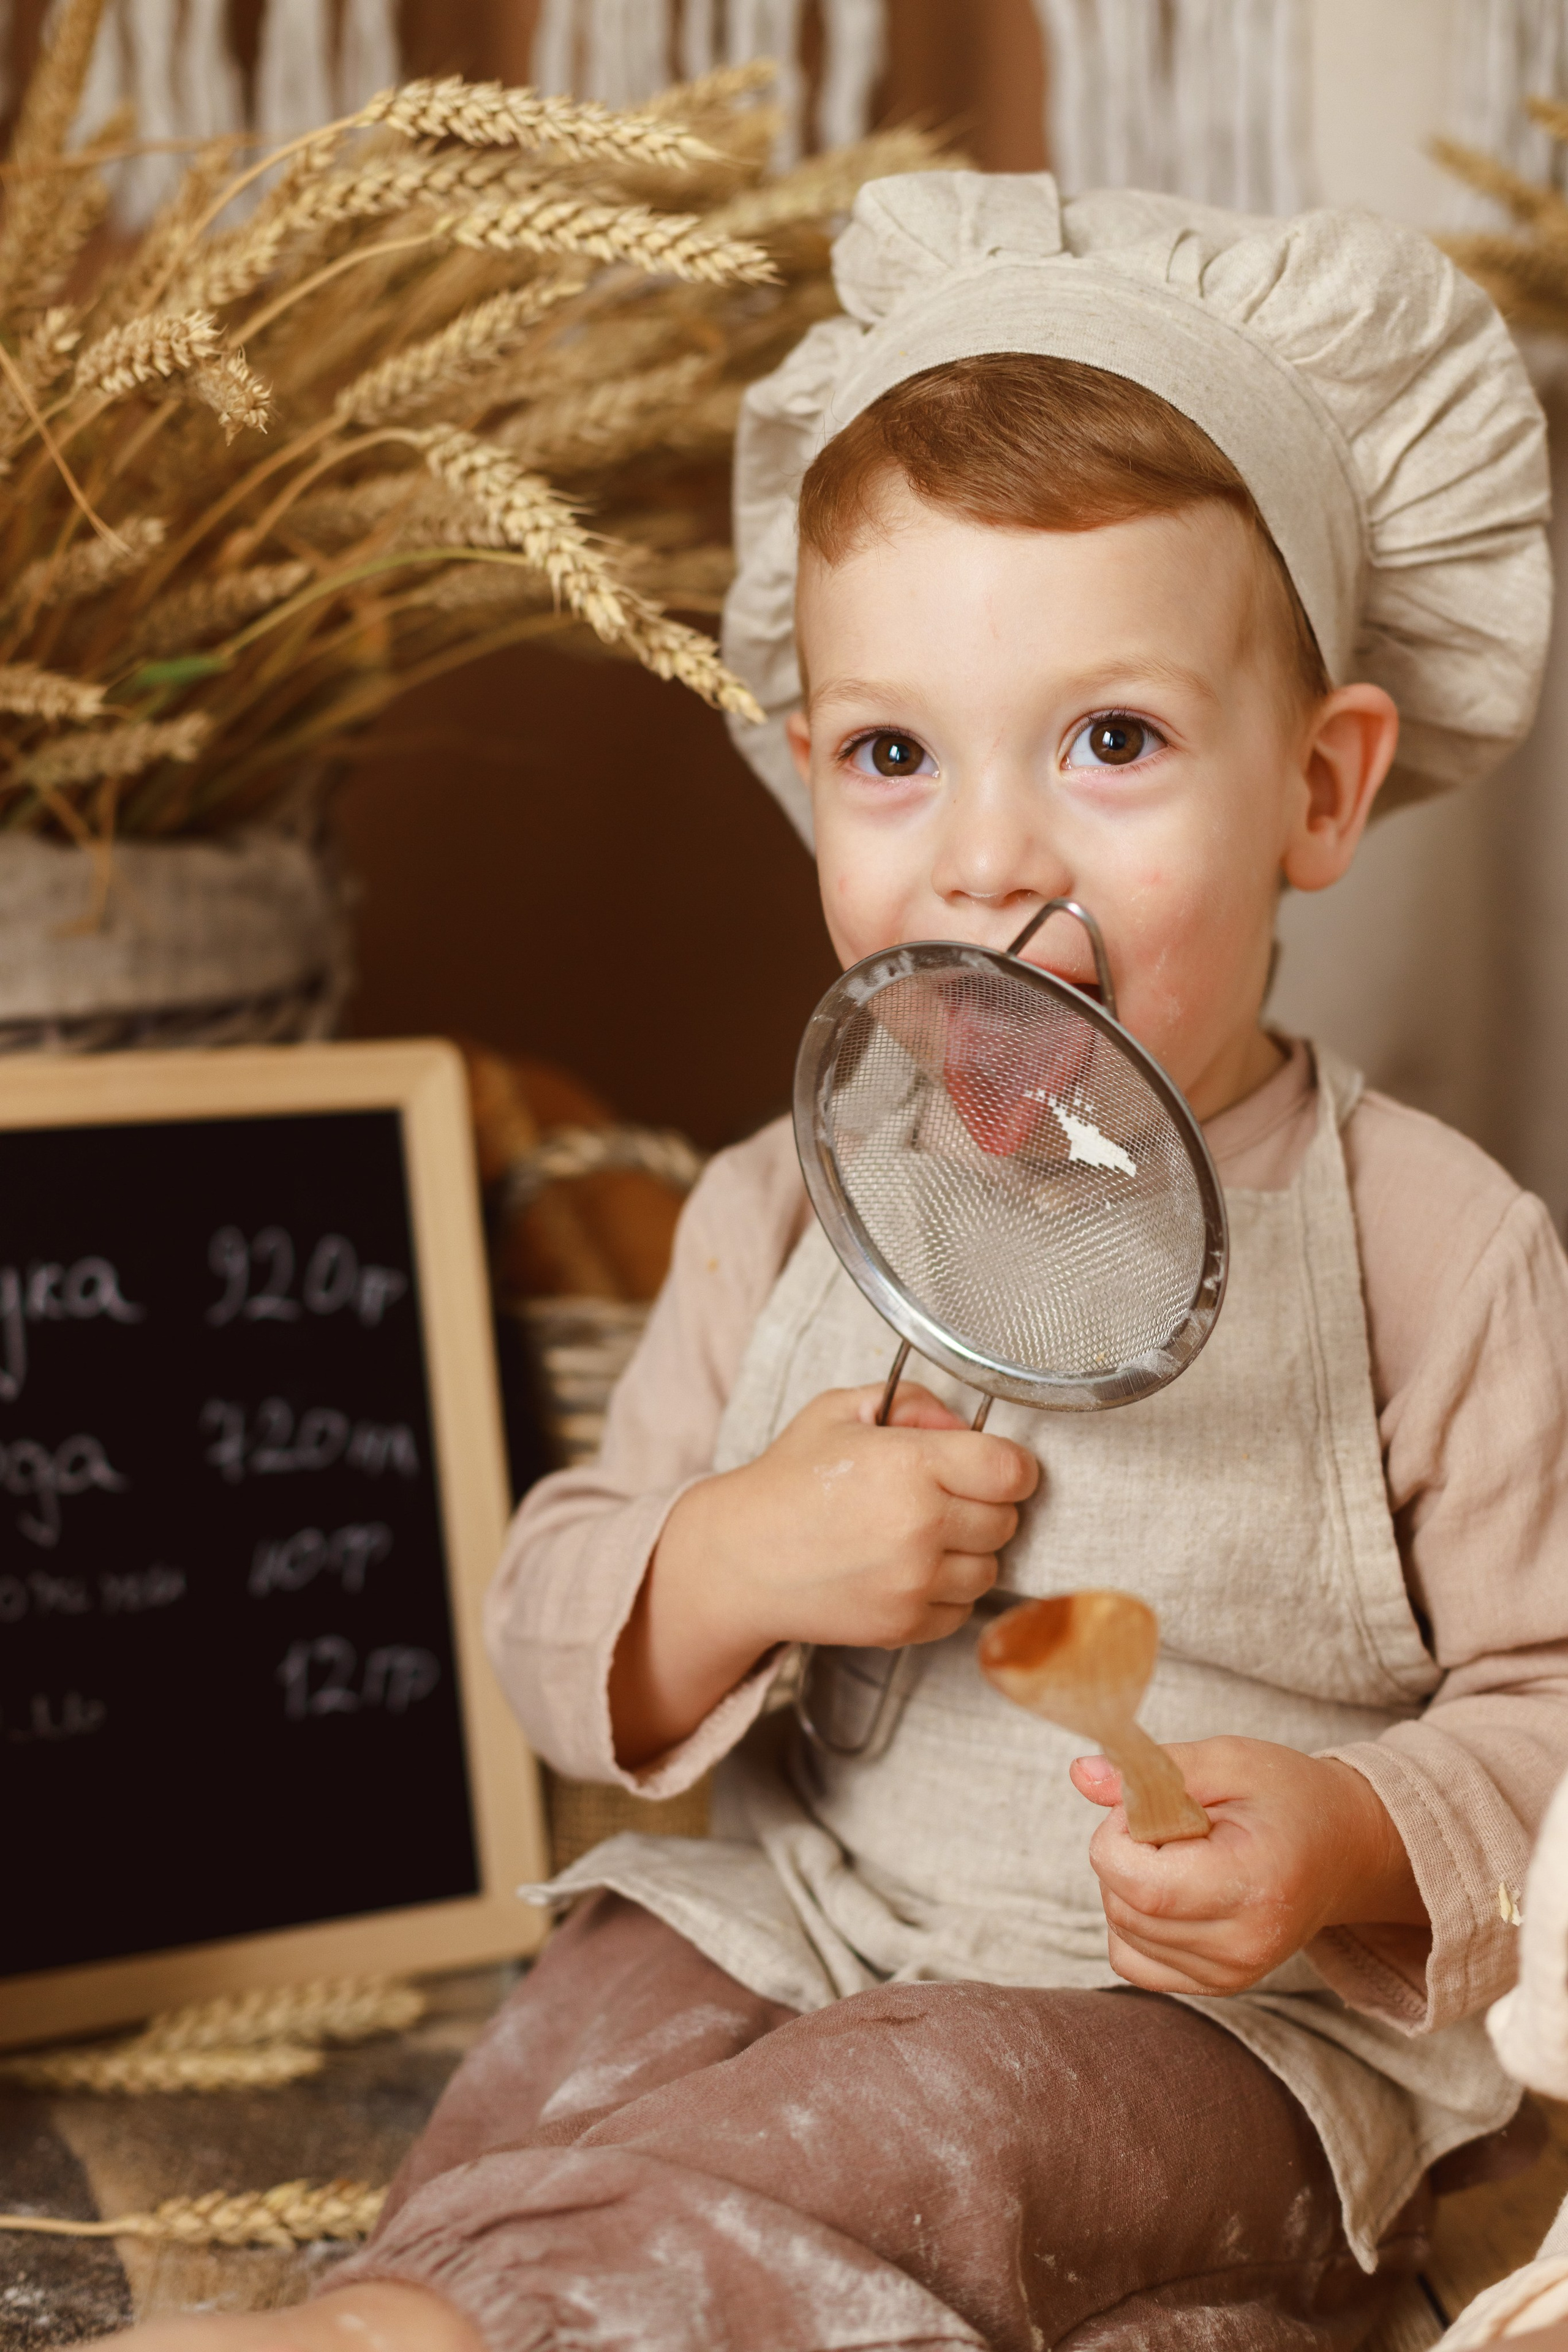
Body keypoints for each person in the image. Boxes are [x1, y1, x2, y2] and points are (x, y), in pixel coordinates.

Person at [105, 175, 1568, 2352]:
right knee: (589, 2019)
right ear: (811, 780)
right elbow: (554, 1601)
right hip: (799, 1910)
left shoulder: (1435, 1245)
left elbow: (1551, 1714)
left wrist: (1355, 1838)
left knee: (921, 2113)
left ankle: (423, 2341)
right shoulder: (779, 1204)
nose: (987, 853)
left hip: (1212, 2041)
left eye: (1114, 741)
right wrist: (724, 1564)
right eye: (896, 755)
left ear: (1321, 792)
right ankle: (432, 2295)